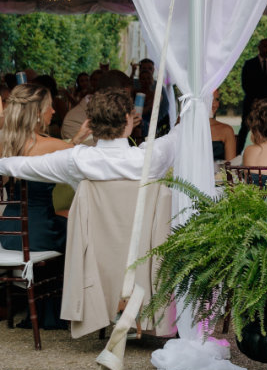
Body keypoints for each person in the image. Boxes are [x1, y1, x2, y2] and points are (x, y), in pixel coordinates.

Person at [0, 87, 178, 192]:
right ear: (127, 119)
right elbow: (177, 137)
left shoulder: (76, 160)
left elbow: (19, 165)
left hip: (92, 247)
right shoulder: (153, 156)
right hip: (144, 246)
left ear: (92, 122)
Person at [0, 83, 80, 254]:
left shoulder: (4, 144)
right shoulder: (50, 144)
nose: (53, 111)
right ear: (37, 112)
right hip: (39, 232)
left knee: (63, 213)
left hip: (8, 232)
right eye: (49, 106)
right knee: (81, 220)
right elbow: (83, 158)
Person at [238, 38, 267, 150]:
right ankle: (236, 154)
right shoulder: (249, 64)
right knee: (245, 129)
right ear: (259, 48)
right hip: (251, 103)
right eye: (265, 46)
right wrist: (256, 100)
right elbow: (245, 84)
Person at [209, 88, 237, 163]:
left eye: (217, 99)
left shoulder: (226, 131)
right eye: (210, 99)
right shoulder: (185, 129)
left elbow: (231, 169)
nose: (215, 104)